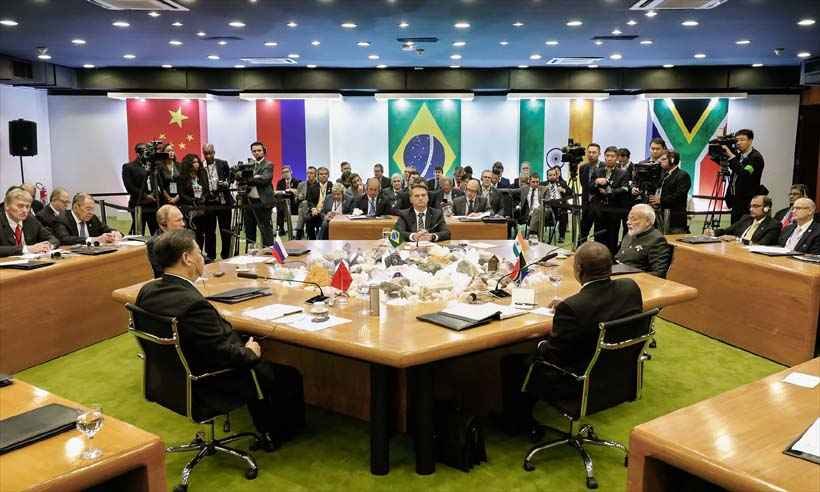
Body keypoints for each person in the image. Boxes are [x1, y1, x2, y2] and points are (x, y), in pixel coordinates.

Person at [136, 229, 305, 446]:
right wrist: (250, 352)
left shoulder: (147, 291)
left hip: (169, 380)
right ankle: (278, 434)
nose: (203, 256)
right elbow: (226, 353)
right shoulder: (193, 304)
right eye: (199, 252)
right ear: (187, 258)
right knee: (286, 375)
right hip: (206, 381)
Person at [499, 241, 643, 435]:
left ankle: (517, 424)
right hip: (619, 375)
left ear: (579, 270)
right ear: (610, 267)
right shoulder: (630, 287)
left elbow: (553, 356)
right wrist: (570, 306)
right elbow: (603, 306)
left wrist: (539, 345)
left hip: (578, 381)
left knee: (513, 362)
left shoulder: (574, 308)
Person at [590, 146, 630, 254]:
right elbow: (590, 188)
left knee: (612, 238)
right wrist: (596, 182)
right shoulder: (597, 171)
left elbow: (625, 189)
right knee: (598, 237)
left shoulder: (623, 173)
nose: (609, 158)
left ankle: (611, 258)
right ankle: (597, 258)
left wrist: (610, 192)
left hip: (614, 211)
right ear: (604, 156)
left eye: (612, 156)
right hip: (599, 210)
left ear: (617, 158)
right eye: (607, 156)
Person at [615, 204, 673, 278]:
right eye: (628, 219)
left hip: (635, 279)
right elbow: (619, 257)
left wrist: (633, 277)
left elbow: (659, 273)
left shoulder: (657, 240)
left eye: (634, 219)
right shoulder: (631, 233)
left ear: (647, 222)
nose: (628, 222)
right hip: (618, 273)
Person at [0, 187, 59, 256]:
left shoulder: (31, 220)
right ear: (6, 206)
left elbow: (53, 239)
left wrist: (48, 246)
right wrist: (27, 249)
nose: (25, 210)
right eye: (20, 206)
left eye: (27, 207)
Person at [723, 129, 765, 225]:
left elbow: (744, 173)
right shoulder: (738, 156)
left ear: (750, 141)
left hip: (747, 202)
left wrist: (731, 156)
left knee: (743, 228)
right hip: (735, 201)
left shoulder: (755, 157)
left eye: (742, 140)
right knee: (734, 228)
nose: (738, 143)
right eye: (737, 140)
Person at [201, 143, 234, 259]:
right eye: (206, 153)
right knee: (209, 231)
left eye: (210, 153)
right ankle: (210, 256)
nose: (208, 156)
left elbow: (230, 178)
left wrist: (226, 183)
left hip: (223, 201)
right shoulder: (201, 166)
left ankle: (226, 255)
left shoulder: (222, 163)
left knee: (225, 229)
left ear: (214, 152)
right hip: (208, 202)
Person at [708, 195, 780, 246]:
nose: (751, 209)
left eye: (755, 206)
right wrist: (712, 232)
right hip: (736, 249)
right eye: (751, 206)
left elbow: (760, 244)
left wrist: (737, 239)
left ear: (766, 208)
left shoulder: (773, 225)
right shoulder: (746, 218)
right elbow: (727, 230)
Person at [54, 192, 122, 245]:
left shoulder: (93, 218)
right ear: (76, 207)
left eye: (93, 209)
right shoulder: (62, 218)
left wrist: (115, 233)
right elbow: (64, 239)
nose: (91, 213)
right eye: (88, 209)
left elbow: (106, 229)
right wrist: (94, 239)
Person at [649, 150, 691, 234]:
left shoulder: (683, 175)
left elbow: (679, 196)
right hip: (661, 218)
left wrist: (661, 200)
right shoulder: (664, 175)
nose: (660, 161)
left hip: (675, 220)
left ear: (672, 160)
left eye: (663, 159)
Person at [122, 142, 158, 235]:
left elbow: (157, 181)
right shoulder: (129, 167)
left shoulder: (153, 166)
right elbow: (129, 187)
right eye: (144, 151)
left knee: (155, 232)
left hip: (153, 205)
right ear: (138, 153)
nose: (147, 154)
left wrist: (154, 194)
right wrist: (145, 196)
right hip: (138, 203)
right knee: (138, 232)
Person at [244, 142, 275, 247]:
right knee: (249, 229)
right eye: (254, 151)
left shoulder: (268, 164)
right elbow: (240, 177)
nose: (256, 153)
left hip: (263, 202)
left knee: (265, 228)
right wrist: (256, 177)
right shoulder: (249, 165)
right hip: (249, 201)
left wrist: (249, 179)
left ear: (263, 151)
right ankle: (250, 252)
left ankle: (269, 251)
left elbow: (265, 180)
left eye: (259, 150)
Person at [177, 154, 209, 254]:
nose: (197, 164)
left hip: (201, 209)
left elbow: (206, 190)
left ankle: (199, 253)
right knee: (190, 233)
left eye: (197, 162)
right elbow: (182, 194)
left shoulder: (203, 173)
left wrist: (203, 198)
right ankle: (190, 253)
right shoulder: (182, 177)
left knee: (201, 233)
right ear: (188, 164)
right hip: (189, 209)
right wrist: (193, 200)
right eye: (194, 162)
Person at [146, 204, 185, 278]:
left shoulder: (184, 238)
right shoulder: (155, 244)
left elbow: (198, 257)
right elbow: (161, 272)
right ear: (163, 224)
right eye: (178, 220)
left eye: (182, 219)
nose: (183, 224)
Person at [577, 143, 604, 245]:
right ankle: (579, 250)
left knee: (599, 234)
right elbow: (584, 186)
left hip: (600, 205)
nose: (591, 154)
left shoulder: (604, 166)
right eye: (589, 152)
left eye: (594, 152)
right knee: (583, 232)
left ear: (599, 154)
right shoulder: (583, 167)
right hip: (586, 204)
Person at [543, 167, 570, 242]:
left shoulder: (562, 184)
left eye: (554, 175)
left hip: (560, 206)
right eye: (550, 175)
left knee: (564, 213)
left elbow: (571, 192)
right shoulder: (543, 184)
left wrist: (563, 190)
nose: (552, 177)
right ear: (547, 176)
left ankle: (561, 236)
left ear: (556, 175)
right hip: (549, 207)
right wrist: (544, 190)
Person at [305, 166, 333, 240]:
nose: (323, 175)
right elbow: (309, 200)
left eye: (325, 174)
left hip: (327, 212)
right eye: (321, 174)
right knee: (308, 219)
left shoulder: (332, 186)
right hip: (316, 211)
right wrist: (313, 208)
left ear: (328, 175)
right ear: (317, 176)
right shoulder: (312, 187)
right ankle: (312, 240)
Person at [275, 165, 300, 237]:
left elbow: (299, 192)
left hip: (294, 204)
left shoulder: (297, 181)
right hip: (283, 204)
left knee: (281, 207)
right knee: (280, 203)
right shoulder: (280, 182)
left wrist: (291, 190)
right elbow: (277, 192)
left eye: (287, 171)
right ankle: (281, 229)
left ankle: (281, 229)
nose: (285, 174)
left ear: (291, 172)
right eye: (283, 172)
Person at [293, 166, 317, 240]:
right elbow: (296, 200)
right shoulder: (301, 184)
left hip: (315, 206)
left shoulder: (318, 185)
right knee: (304, 204)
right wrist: (299, 197)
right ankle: (308, 234)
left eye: (311, 173)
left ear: (315, 174)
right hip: (304, 208)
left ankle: (299, 232)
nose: (309, 175)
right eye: (308, 173)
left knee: (304, 205)